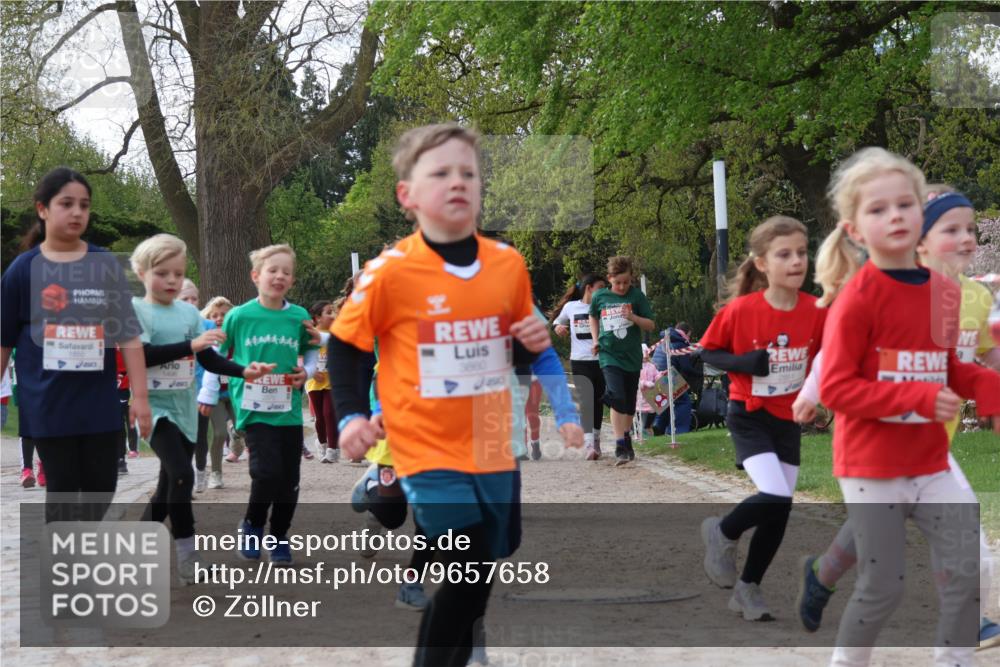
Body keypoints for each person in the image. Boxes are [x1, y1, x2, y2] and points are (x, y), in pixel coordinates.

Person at [328, 123, 558, 667]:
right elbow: (346, 349)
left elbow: (515, 353)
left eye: (468, 173)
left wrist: (529, 346)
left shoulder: (508, 264)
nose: (457, 182)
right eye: (440, 173)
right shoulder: (389, 272)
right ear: (407, 195)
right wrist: (351, 417)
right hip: (424, 445)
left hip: (489, 441)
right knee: (468, 554)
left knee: (482, 569)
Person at [794, 184, 1000, 650]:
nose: (968, 239)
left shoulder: (970, 297)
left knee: (966, 551)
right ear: (919, 241)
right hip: (875, 446)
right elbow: (838, 355)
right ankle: (822, 578)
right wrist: (810, 393)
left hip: (931, 447)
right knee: (876, 561)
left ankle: (969, 624)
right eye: (953, 229)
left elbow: (977, 359)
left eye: (972, 230)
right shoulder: (887, 288)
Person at [0, 167, 152, 522]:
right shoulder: (23, 270)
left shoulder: (105, 265)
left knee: (102, 487)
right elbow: (3, 339)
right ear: (42, 209)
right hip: (48, 401)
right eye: (66, 203)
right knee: (65, 489)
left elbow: (128, 333)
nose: (77, 212)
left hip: (98, 399)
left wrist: (141, 398)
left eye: (84, 205)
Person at [697, 215, 826, 621]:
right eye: (784, 254)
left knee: (780, 509)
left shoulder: (816, 311)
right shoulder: (742, 311)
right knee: (774, 495)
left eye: (802, 253)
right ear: (762, 263)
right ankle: (722, 531)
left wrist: (821, 399)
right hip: (748, 415)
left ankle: (747, 589)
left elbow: (826, 360)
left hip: (787, 419)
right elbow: (708, 352)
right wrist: (744, 362)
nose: (796, 261)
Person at [131, 233, 271, 584]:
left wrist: (243, 370)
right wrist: (190, 344)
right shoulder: (137, 310)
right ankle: (188, 556)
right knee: (182, 474)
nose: (172, 281)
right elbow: (143, 355)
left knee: (168, 488)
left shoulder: (188, 314)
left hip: (184, 408)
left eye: (178, 274)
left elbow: (207, 358)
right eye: (162, 273)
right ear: (141, 272)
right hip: (153, 408)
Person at [220, 244, 317, 565]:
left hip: (288, 410)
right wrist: (209, 393)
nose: (279, 276)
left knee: (289, 479)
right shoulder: (239, 316)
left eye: (286, 272)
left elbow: (313, 346)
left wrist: (308, 371)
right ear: (255, 276)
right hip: (253, 408)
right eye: (272, 270)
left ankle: (278, 535)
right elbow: (219, 356)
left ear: (292, 280)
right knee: (265, 472)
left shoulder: (298, 316)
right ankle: (252, 525)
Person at [588, 256, 655, 465]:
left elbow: (650, 325)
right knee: (616, 395)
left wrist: (633, 317)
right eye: (618, 282)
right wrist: (595, 339)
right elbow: (593, 316)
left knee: (628, 402)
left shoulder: (637, 296)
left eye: (626, 282)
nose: (622, 286)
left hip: (632, 356)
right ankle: (619, 443)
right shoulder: (600, 296)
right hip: (609, 354)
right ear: (610, 279)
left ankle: (626, 437)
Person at [552, 273, 607, 459]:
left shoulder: (603, 306)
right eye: (601, 287)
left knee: (598, 401)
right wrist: (558, 327)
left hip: (601, 360)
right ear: (589, 288)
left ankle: (597, 440)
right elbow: (557, 321)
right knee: (586, 401)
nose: (604, 291)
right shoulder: (571, 307)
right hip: (579, 360)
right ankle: (589, 443)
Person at [197, 296, 240, 488]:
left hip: (235, 393)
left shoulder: (238, 339)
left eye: (224, 314)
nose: (219, 318)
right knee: (220, 433)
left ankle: (237, 438)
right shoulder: (206, 341)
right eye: (215, 315)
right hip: (215, 396)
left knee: (244, 430)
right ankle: (215, 473)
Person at [650, 322, 701, 435]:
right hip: (667, 377)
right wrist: (699, 374)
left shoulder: (664, 340)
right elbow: (686, 368)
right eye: (689, 335)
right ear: (686, 333)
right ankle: (678, 431)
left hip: (654, 376)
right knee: (684, 402)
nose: (689, 338)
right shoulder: (679, 342)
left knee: (664, 403)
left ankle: (658, 427)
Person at [306, 300, 339, 463]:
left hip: (332, 381)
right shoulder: (310, 335)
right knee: (319, 417)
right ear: (318, 317)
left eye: (333, 312)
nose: (332, 315)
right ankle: (322, 444)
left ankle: (333, 450)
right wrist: (312, 372)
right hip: (314, 381)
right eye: (328, 312)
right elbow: (303, 357)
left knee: (329, 413)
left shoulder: (337, 334)